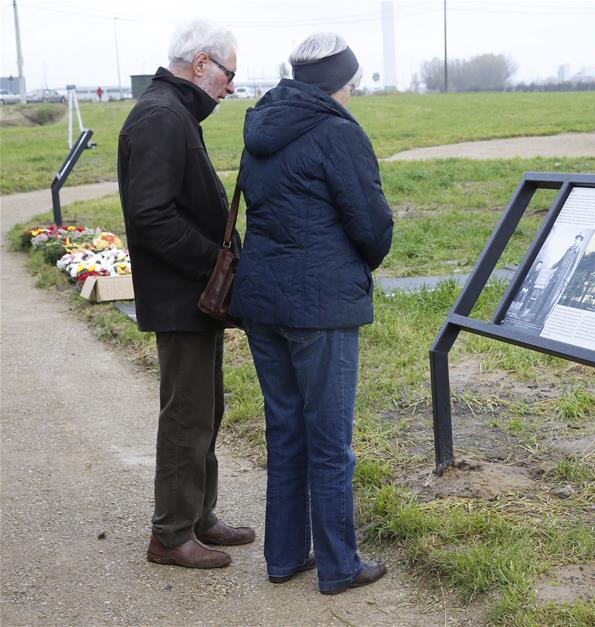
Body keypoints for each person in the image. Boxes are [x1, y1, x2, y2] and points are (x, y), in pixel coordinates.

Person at [229, 32, 393, 594]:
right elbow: (372, 227)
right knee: (329, 441)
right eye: (351, 85)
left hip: (262, 302)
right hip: (320, 307)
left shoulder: (259, 126)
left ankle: (283, 556)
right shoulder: (338, 133)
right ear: (335, 85)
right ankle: (339, 566)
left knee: (286, 431)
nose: (352, 95)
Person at [117, 19, 254, 570]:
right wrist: (214, 261)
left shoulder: (173, 112)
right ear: (200, 65)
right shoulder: (160, 116)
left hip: (193, 296)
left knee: (207, 408)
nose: (229, 88)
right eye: (228, 75)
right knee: (186, 415)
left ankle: (198, 516)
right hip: (181, 294)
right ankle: (170, 535)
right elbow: (149, 214)